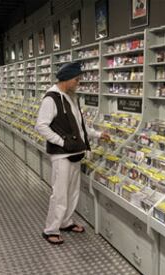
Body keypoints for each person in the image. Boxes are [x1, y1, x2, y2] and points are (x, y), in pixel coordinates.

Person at [35, 62, 110, 245]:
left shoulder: (70, 97)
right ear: (67, 79)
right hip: (62, 155)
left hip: (75, 152)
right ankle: (50, 229)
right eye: (76, 79)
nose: (78, 83)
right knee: (59, 194)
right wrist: (62, 142)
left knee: (72, 191)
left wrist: (98, 134)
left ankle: (66, 222)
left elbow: (79, 125)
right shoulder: (51, 98)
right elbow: (41, 126)